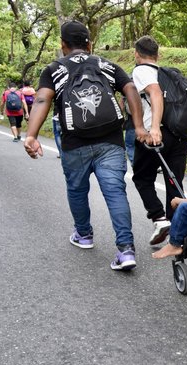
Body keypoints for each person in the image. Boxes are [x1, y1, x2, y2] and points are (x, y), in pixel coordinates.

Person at [23, 20, 147, 271]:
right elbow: (131, 89)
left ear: (63, 45)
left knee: (77, 190)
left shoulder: (54, 69)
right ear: (90, 44)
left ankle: (84, 234)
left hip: (74, 143)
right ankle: (125, 250)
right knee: (115, 192)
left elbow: (42, 99)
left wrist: (31, 135)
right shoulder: (106, 65)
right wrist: (140, 127)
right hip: (111, 141)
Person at [131, 35, 187, 246]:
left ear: (137, 54)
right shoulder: (169, 74)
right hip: (180, 135)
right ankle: (178, 237)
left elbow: (154, 94)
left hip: (154, 136)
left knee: (141, 178)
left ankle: (158, 218)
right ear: (158, 55)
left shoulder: (141, 71)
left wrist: (154, 127)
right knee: (173, 182)